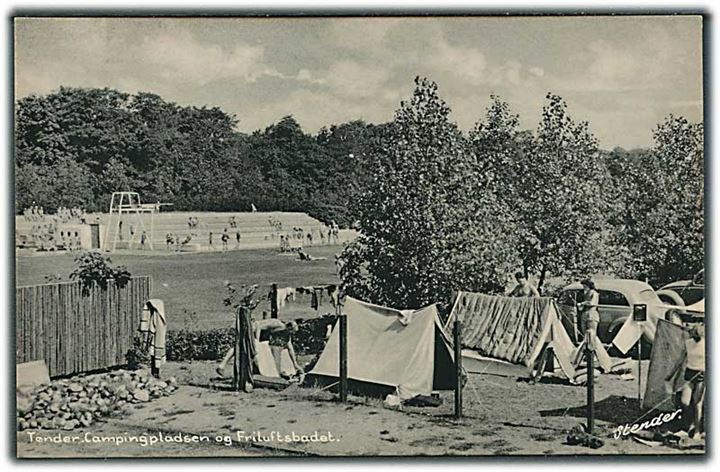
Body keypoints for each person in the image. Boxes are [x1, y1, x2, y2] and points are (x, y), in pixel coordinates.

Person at [216, 319, 302, 379]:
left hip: (256, 332)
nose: (292, 334)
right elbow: (259, 326)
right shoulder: (277, 324)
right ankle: (222, 365)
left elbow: (290, 348)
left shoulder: (285, 333)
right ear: (289, 327)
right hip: (251, 328)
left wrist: (295, 364)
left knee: (252, 350)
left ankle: (253, 371)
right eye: (292, 332)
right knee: (240, 347)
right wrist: (257, 340)